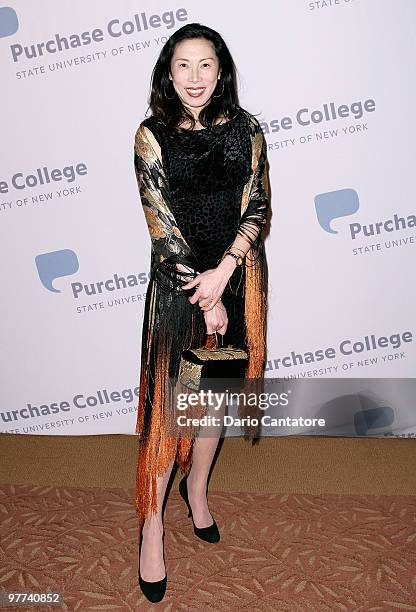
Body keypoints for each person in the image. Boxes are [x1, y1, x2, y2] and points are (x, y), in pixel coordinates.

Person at [133, 22, 270, 602]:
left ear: (222, 70)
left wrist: (223, 279)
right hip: (177, 289)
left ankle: (199, 494)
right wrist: (201, 291)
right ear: (170, 71)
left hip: (234, 282)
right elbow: (161, 226)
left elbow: (258, 207)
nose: (194, 77)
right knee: (167, 413)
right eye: (183, 65)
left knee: (212, 400)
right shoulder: (150, 135)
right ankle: (150, 528)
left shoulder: (247, 130)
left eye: (205, 65)